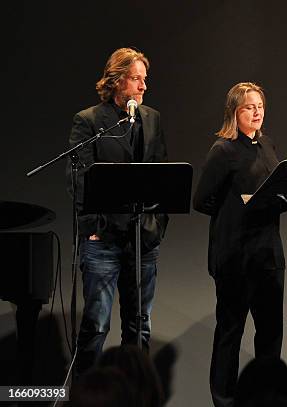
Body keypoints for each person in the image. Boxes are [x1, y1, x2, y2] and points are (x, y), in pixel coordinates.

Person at [67, 47, 168, 377]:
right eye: (136, 79)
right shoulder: (90, 121)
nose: (143, 86)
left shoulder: (151, 119)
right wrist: (93, 227)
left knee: (140, 326)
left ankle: (134, 395)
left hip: (143, 240)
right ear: (117, 80)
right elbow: (79, 180)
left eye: (144, 79)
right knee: (96, 325)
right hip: (104, 240)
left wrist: (157, 225)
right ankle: (86, 395)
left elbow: (163, 173)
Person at [193, 82, 286, 407]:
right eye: (249, 107)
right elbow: (202, 200)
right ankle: (224, 400)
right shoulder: (223, 150)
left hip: (268, 255)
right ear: (235, 112)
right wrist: (238, 205)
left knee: (271, 333)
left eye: (260, 105)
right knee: (231, 333)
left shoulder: (268, 145)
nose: (257, 111)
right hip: (235, 257)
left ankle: (267, 399)